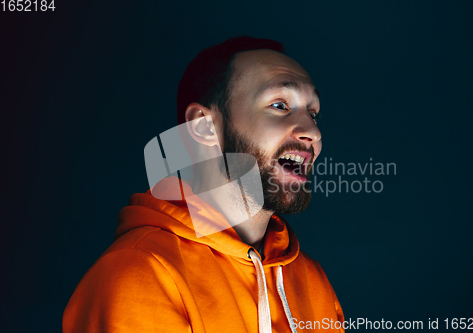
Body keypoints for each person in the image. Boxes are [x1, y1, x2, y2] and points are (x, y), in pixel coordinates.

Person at [63, 36, 345, 333]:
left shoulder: (313, 281)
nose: (312, 132)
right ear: (203, 126)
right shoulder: (139, 273)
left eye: (312, 113)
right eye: (279, 105)